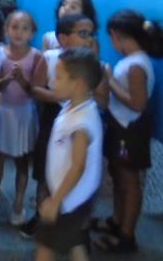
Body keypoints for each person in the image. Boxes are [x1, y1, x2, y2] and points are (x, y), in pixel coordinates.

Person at [20, 14, 108, 238]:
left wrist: (80, 90)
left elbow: (104, 101)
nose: (88, 39)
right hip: (54, 118)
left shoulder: (94, 70)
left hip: (70, 193)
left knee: (57, 242)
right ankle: (43, 214)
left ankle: (59, 216)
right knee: (45, 167)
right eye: (83, 34)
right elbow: (36, 88)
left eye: (91, 34)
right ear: (64, 39)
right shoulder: (50, 59)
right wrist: (59, 95)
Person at [93, 10, 163, 253]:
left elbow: (137, 103)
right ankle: (116, 220)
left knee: (129, 181)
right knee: (119, 177)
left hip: (130, 131)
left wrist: (110, 80)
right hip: (120, 127)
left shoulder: (137, 65)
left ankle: (127, 235)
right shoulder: (133, 60)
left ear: (116, 35)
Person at [0, 11, 46, 226]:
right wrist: (8, 78)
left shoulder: (37, 56)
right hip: (2, 112)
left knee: (21, 160)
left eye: (24, 28)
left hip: (23, 114)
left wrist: (22, 80)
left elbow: (36, 90)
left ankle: (18, 203)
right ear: (6, 30)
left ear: (32, 32)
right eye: (14, 27)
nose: (18, 32)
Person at [35, 48, 104, 261]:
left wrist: (56, 201)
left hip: (67, 198)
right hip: (71, 194)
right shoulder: (76, 106)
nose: (53, 81)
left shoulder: (81, 123)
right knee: (74, 241)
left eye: (59, 77)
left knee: (46, 245)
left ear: (78, 84)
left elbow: (78, 165)